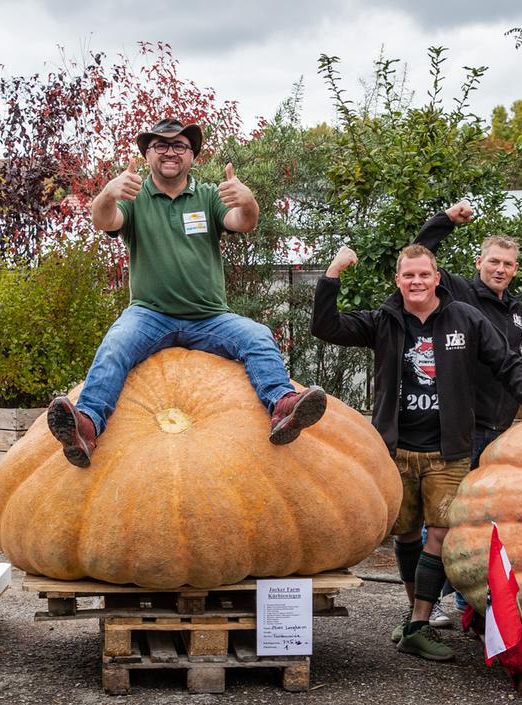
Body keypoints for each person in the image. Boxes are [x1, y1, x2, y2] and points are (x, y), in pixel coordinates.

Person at [311, 244, 522, 661]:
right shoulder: (384, 322)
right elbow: (326, 326)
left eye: (424, 274)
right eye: (409, 276)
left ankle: (421, 622)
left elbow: (507, 362)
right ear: (398, 281)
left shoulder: (466, 318)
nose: (417, 282)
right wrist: (332, 273)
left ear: (437, 277)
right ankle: (414, 616)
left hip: (448, 450)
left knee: (439, 533)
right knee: (406, 534)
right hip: (397, 449)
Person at [47, 119, 325, 466]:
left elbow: (243, 221)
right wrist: (108, 194)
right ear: (147, 154)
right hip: (149, 313)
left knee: (257, 336)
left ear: (191, 155)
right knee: (116, 343)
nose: (170, 152)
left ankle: (283, 406)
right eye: (160, 145)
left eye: (179, 145)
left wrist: (249, 201)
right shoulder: (134, 197)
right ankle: (85, 427)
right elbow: (105, 221)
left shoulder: (208, 196)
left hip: (208, 315)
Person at [411, 200, 522, 466]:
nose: (500, 269)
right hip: (466, 428)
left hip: (503, 429)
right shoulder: (459, 292)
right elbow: (419, 256)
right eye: (494, 261)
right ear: (479, 262)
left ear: (515, 269)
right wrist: (446, 219)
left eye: (507, 264)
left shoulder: (516, 311)